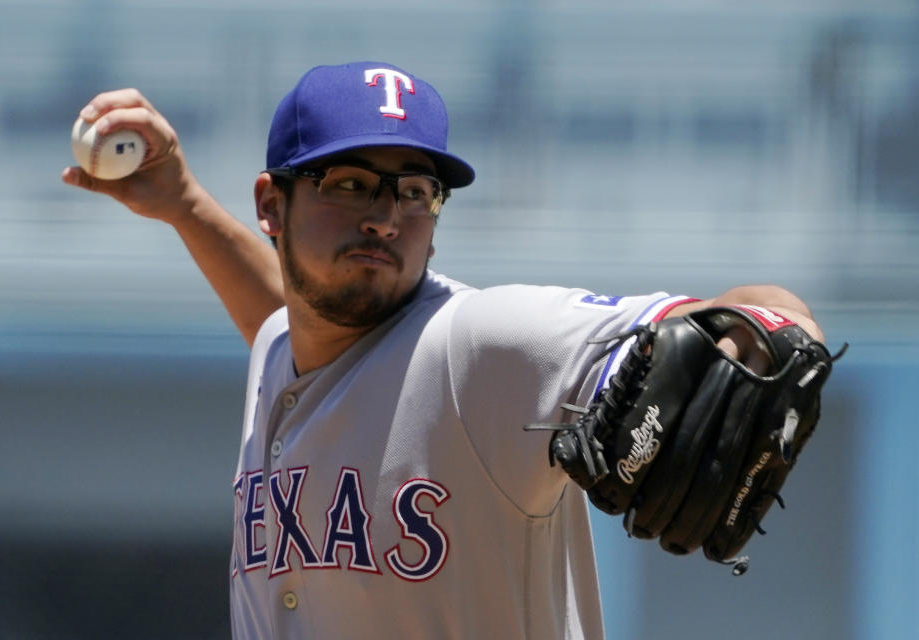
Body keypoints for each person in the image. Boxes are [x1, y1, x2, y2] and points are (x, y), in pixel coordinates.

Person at [62, 61, 824, 639]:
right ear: (271, 204)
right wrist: (186, 205)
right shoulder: (286, 348)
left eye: (415, 191)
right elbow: (282, 310)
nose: (387, 217)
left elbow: (764, 315)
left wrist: (774, 333)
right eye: (351, 183)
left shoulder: (480, 345)